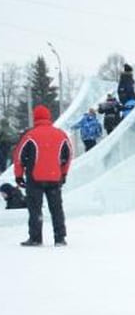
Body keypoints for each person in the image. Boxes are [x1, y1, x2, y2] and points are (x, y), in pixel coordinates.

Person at [14, 105, 73, 246]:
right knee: (56, 208)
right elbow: (68, 155)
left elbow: (19, 157)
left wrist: (19, 176)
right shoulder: (61, 134)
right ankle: (60, 238)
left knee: (35, 209)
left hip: (35, 178)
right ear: (49, 117)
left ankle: (35, 238)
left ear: (35, 117)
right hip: (55, 177)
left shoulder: (30, 135)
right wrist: (63, 173)